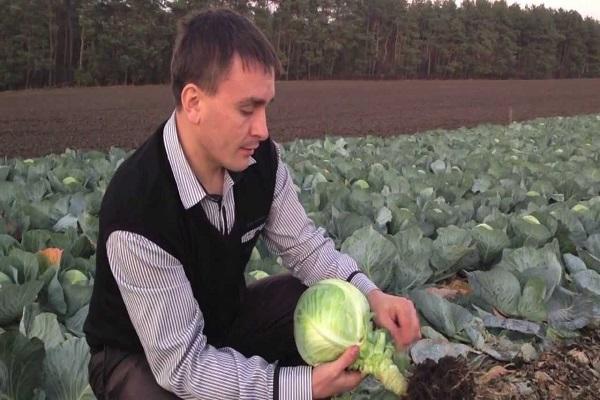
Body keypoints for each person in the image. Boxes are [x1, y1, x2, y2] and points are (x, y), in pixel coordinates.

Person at [83, 8, 420, 400]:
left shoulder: (260, 161)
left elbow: (305, 247)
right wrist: (300, 387)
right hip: (139, 356)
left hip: (220, 320)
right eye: (247, 109)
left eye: (266, 107)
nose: (263, 129)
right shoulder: (137, 210)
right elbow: (183, 366)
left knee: (305, 299)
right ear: (193, 102)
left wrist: (371, 295)